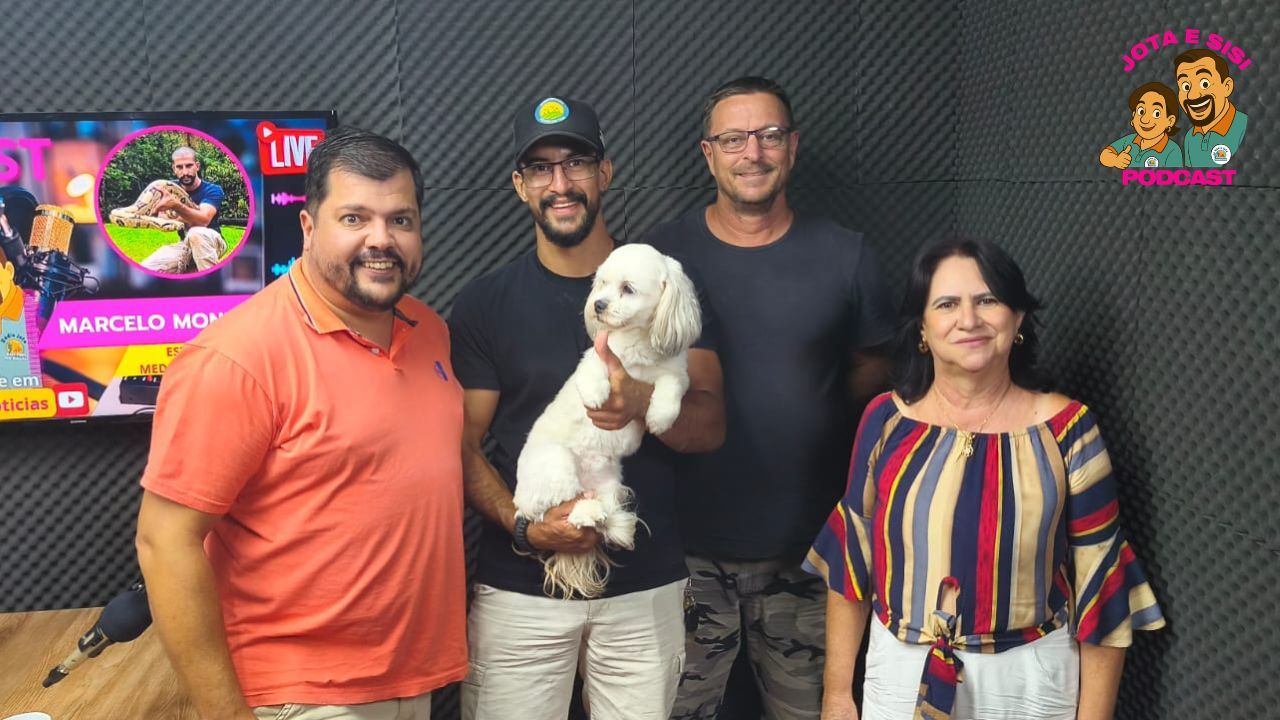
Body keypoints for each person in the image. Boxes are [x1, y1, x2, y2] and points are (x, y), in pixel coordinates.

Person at [135, 127, 466, 720]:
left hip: (412, 679)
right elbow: (164, 542)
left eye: (401, 220)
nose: (381, 239)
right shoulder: (236, 358)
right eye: (354, 218)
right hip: (301, 697)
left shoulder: (429, 330)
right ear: (309, 228)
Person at [807, 237, 1166, 720]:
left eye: (988, 300)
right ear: (922, 328)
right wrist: (836, 695)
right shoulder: (884, 421)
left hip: (1030, 682)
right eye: (947, 304)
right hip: (897, 674)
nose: (969, 319)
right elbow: (853, 560)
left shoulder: (1070, 430)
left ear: (1017, 319)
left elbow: (1100, 585)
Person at [448, 96, 725, 720]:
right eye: (540, 168)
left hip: (644, 587)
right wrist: (525, 526)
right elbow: (461, 446)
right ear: (520, 185)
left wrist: (641, 401)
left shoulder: (666, 286)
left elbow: (710, 426)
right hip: (520, 591)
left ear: (605, 173)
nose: (560, 183)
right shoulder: (485, 304)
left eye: (575, 162)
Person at [646, 76, 895, 720]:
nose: (752, 153)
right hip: (685, 556)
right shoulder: (662, 257)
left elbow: (871, 369)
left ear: (793, 146)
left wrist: (807, 415)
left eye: (769, 135)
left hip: (807, 555)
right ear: (709, 154)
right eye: (734, 139)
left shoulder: (846, 256)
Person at [140, 147, 229, 272]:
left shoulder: (212, 190)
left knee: (196, 232)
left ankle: (209, 279)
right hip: (185, 244)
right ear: (174, 169)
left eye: (189, 166)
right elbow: (163, 219)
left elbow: (203, 220)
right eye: (179, 167)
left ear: (197, 166)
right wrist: (191, 214)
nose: (185, 172)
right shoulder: (167, 188)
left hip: (213, 241)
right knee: (147, 267)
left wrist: (176, 206)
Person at [1175, 49, 1248, 166]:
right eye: (1185, 86)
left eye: (1205, 84)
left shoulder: (1243, 126)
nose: (1193, 95)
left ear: (1227, 87)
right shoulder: (1191, 137)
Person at [1098, 82, 1182, 170]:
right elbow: (1104, 155)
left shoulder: (1172, 150)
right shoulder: (1129, 141)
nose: (1144, 120)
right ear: (1134, 116)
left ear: (1170, 121)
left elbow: (1175, 176)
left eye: (1156, 113)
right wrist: (1116, 160)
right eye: (1141, 111)